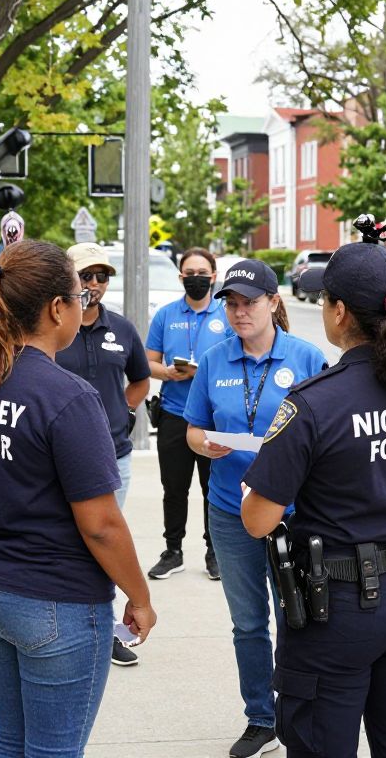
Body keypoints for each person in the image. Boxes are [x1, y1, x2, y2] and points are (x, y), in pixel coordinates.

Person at [240, 232, 386, 757]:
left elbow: (257, 520)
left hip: (336, 607)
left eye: (324, 301)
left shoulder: (311, 405)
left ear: (340, 312)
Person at [0, 240, 157, 757]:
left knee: (10, 737)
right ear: (56, 308)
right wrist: (140, 596)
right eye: (78, 298)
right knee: (53, 750)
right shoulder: (67, 396)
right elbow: (101, 523)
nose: (85, 305)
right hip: (52, 598)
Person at [183, 259, 327, 758]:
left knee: (297, 616)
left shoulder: (307, 359)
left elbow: (328, 435)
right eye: (232, 303)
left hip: (294, 512)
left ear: (274, 302)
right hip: (229, 509)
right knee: (248, 623)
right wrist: (205, 446)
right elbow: (192, 429)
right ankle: (260, 718)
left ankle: (298, 715)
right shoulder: (215, 360)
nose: (240, 312)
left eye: (249, 302)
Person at [55, 242, 152, 668]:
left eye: (101, 276)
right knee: (69, 541)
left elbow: (141, 381)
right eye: (85, 276)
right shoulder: (56, 328)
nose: (94, 284)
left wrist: (125, 409)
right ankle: (65, 624)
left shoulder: (123, 329)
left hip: (114, 455)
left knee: (104, 540)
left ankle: (105, 628)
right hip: (61, 458)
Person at [145, 247, 231, 581]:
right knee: (174, 488)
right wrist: (166, 373)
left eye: (202, 273)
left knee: (214, 488)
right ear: (181, 277)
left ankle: (215, 553)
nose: (196, 279)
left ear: (213, 276)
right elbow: (147, 362)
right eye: (189, 273)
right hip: (173, 413)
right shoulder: (166, 315)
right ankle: (173, 551)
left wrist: (206, 372)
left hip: (214, 418)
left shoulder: (225, 314)